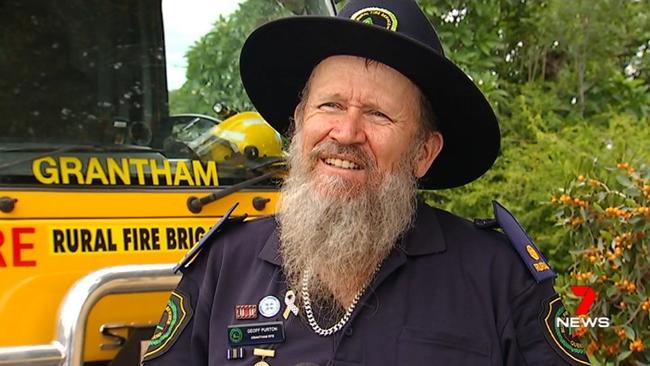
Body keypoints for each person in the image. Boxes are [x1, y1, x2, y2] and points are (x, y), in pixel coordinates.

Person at [142, 0, 590, 365]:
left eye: (378, 114)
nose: (347, 132)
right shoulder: (222, 267)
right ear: (299, 124)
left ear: (423, 153)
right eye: (331, 105)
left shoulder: (502, 279)